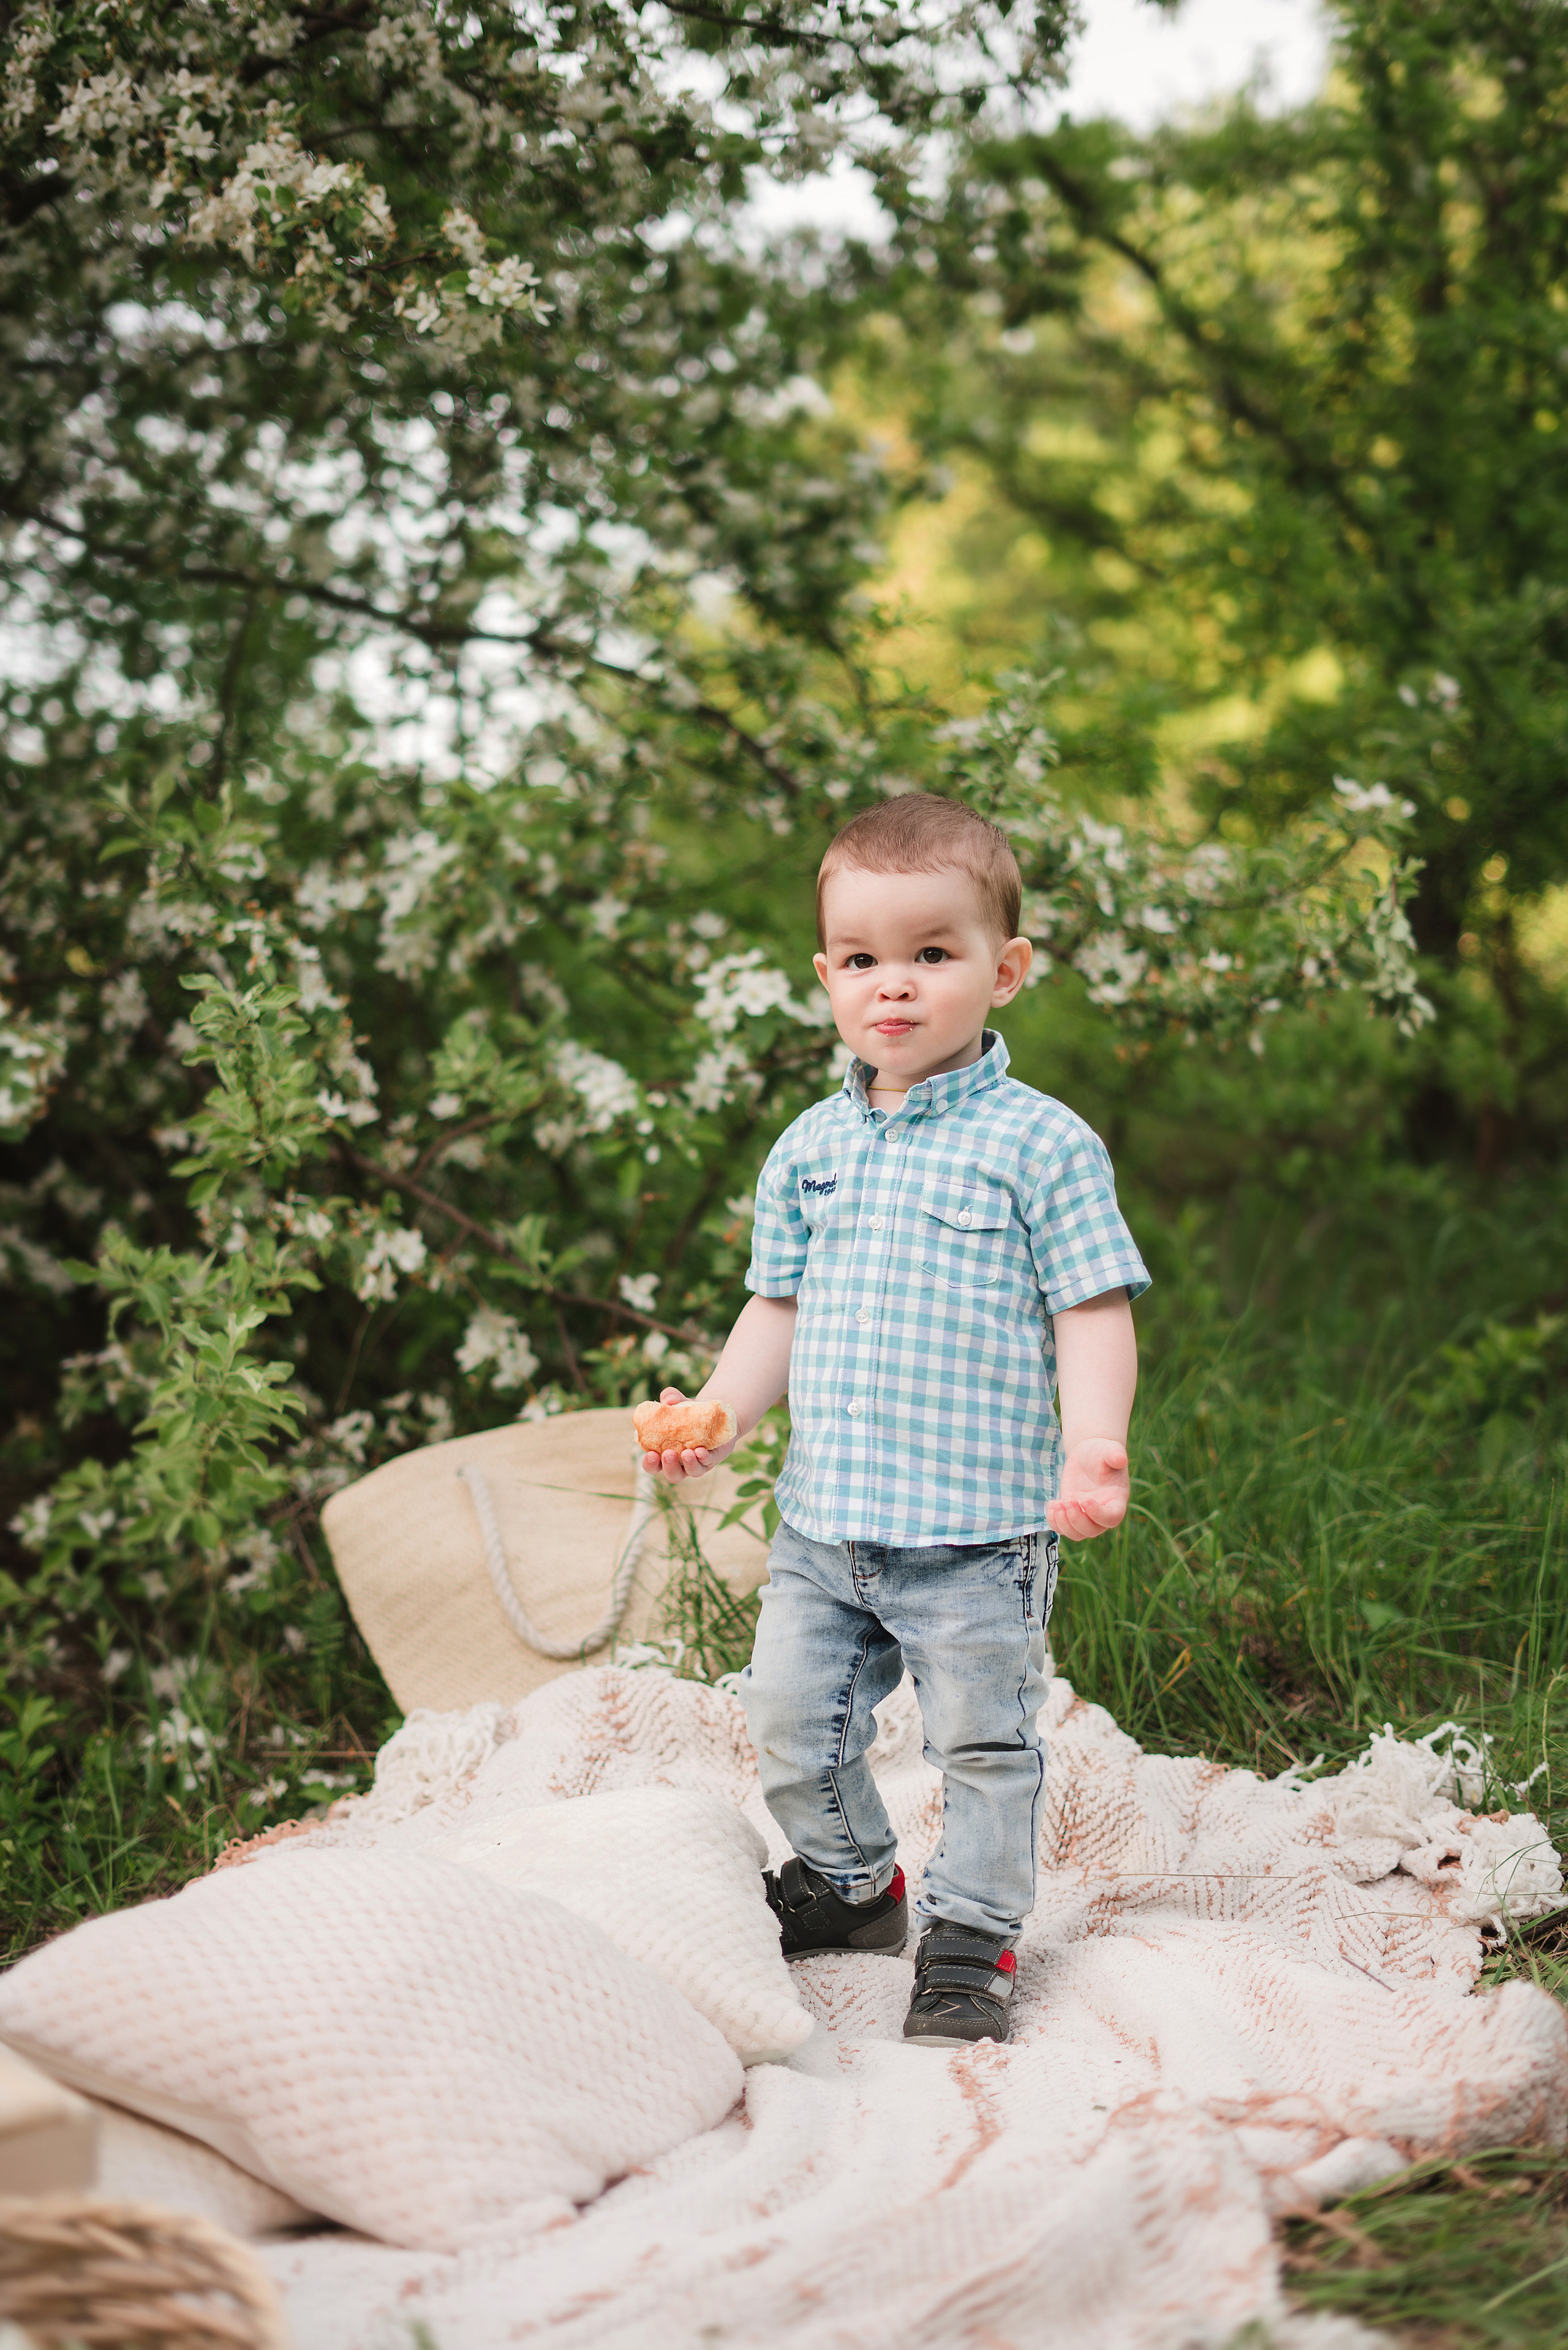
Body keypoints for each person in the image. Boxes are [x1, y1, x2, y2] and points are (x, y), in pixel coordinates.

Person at [641, 794, 1149, 2047]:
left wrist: (1092, 1439)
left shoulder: (1041, 1145)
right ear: (825, 976)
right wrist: (719, 1405)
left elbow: (1090, 1309)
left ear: (1003, 968)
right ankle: (853, 1881)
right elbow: (779, 1307)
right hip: (824, 1522)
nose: (895, 985)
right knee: (783, 1714)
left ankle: (972, 1933)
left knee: (982, 1741)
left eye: (933, 952)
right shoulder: (809, 1146)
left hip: (975, 1529)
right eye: (862, 958)